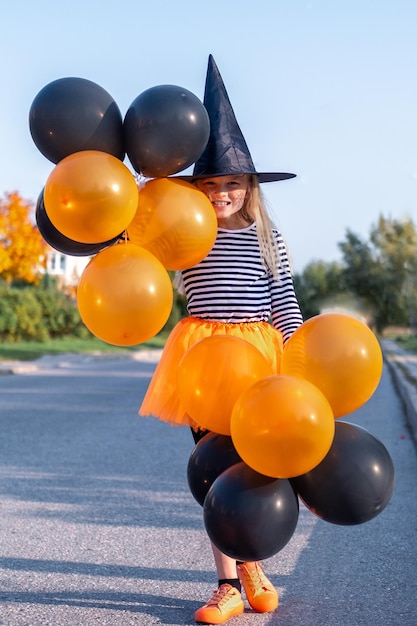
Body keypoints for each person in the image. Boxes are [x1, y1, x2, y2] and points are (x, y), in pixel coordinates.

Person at [139, 54, 303, 625]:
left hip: (259, 356)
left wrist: (301, 355)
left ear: (249, 186)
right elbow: (141, 251)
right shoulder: (187, 233)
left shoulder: (266, 233)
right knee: (215, 471)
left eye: (232, 183)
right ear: (196, 190)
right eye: (209, 185)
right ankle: (226, 584)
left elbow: (283, 297)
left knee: (259, 467)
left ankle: (255, 565)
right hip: (204, 358)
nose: (221, 193)